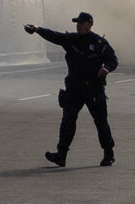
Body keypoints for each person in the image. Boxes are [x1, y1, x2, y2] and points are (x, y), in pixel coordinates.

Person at [23, 13, 118, 167]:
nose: (78, 25)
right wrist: (37, 29)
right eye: (77, 23)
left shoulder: (99, 42)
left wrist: (106, 68)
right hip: (75, 88)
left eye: (81, 23)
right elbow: (55, 36)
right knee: (68, 121)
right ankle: (61, 154)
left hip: (94, 88)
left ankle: (109, 154)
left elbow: (112, 59)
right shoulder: (71, 39)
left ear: (89, 24)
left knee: (100, 121)